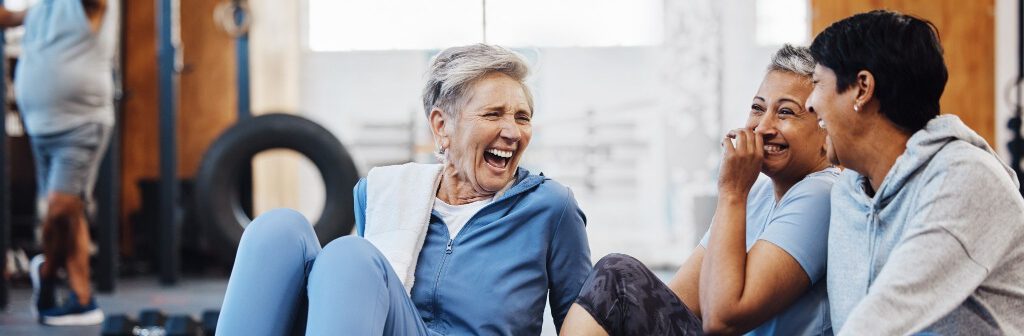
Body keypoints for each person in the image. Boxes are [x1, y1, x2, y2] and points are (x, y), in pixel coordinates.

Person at [216, 44, 592, 335]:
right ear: (442, 126)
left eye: (522, 117)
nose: (513, 131)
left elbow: (582, 326)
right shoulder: (382, 194)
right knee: (277, 230)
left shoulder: (551, 208)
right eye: (494, 114)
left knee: (350, 255)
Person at [561, 45, 837, 336]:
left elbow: (721, 319)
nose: (763, 126)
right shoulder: (759, 193)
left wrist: (731, 190)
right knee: (617, 285)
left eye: (785, 112)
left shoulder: (822, 194)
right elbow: (679, 302)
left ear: (826, 131)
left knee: (618, 277)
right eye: (757, 108)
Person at [807, 10, 1024, 335]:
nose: (809, 104)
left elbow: (884, 319)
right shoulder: (848, 189)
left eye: (816, 84)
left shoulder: (967, 178)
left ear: (862, 88)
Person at [0, 0, 116, 326]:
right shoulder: (40, 9)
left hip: (81, 124)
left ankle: (46, 273)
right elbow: (7, 17)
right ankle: (81, 298)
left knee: (61, 207)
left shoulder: (90, 6)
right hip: (40, 127)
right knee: (70, 214)